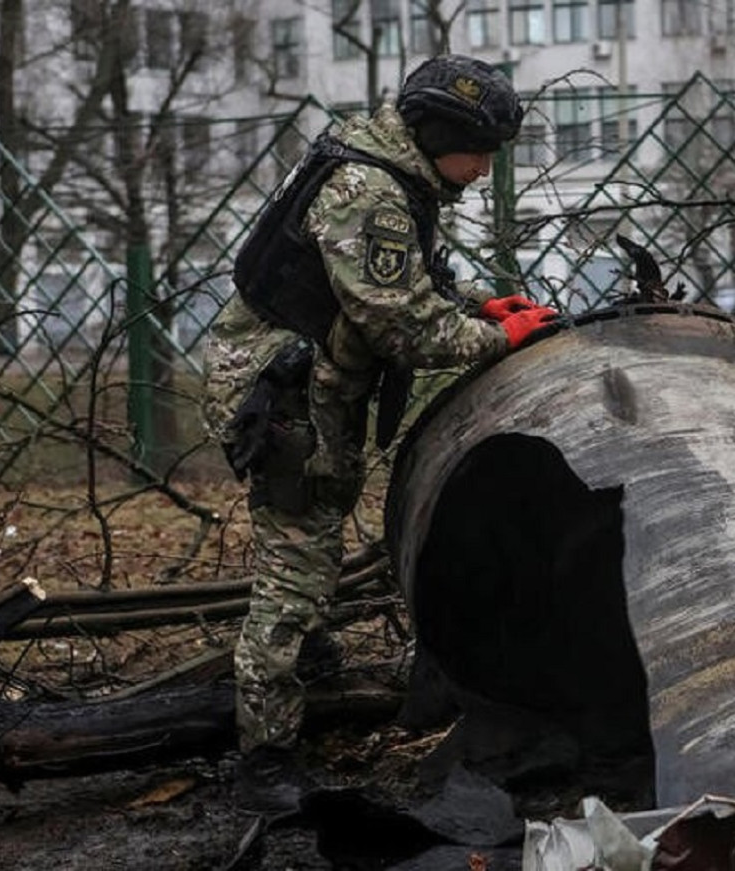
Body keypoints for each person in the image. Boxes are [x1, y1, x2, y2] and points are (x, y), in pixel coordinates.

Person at [201, 54, 557, 815]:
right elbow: (397, 322)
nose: (486, 166)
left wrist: (479, 309)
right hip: (280, 396)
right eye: (481, 149)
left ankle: (303, 662)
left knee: (315, 529)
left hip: (310, 385)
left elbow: (403, 285)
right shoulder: (372, 194)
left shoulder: (394, 175)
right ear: (437, 133)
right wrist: (497, 340)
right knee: (293, 573)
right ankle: (264, 758)